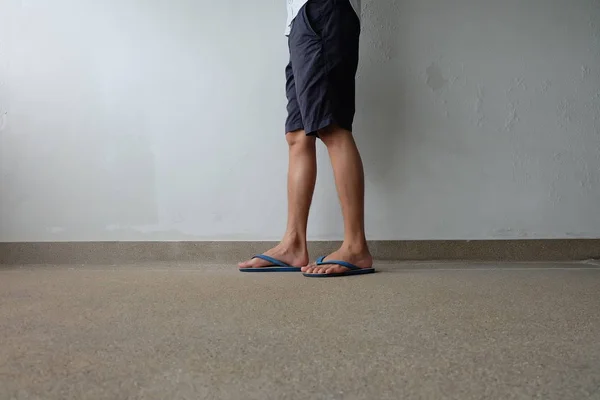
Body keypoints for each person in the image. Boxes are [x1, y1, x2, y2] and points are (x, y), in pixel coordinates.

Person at [239, 0, 374, 277]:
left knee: (331, 127)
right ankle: (293, 244)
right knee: (297, 135)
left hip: (323, 9)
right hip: (300, 19)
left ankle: (356, 246)